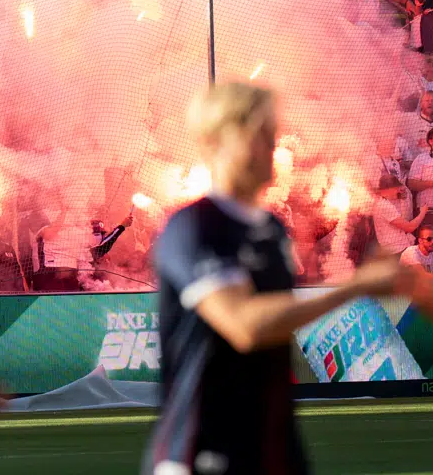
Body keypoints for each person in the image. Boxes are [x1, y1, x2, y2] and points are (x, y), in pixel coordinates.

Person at [145, 83, 399, 475]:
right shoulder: (194, 227)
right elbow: (244, 325)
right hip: (201, 451)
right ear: (217, 142)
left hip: (273, 450)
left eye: (272, 135)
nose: (272, 147)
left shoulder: (271, 229)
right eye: (260, 135)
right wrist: (357, 285)